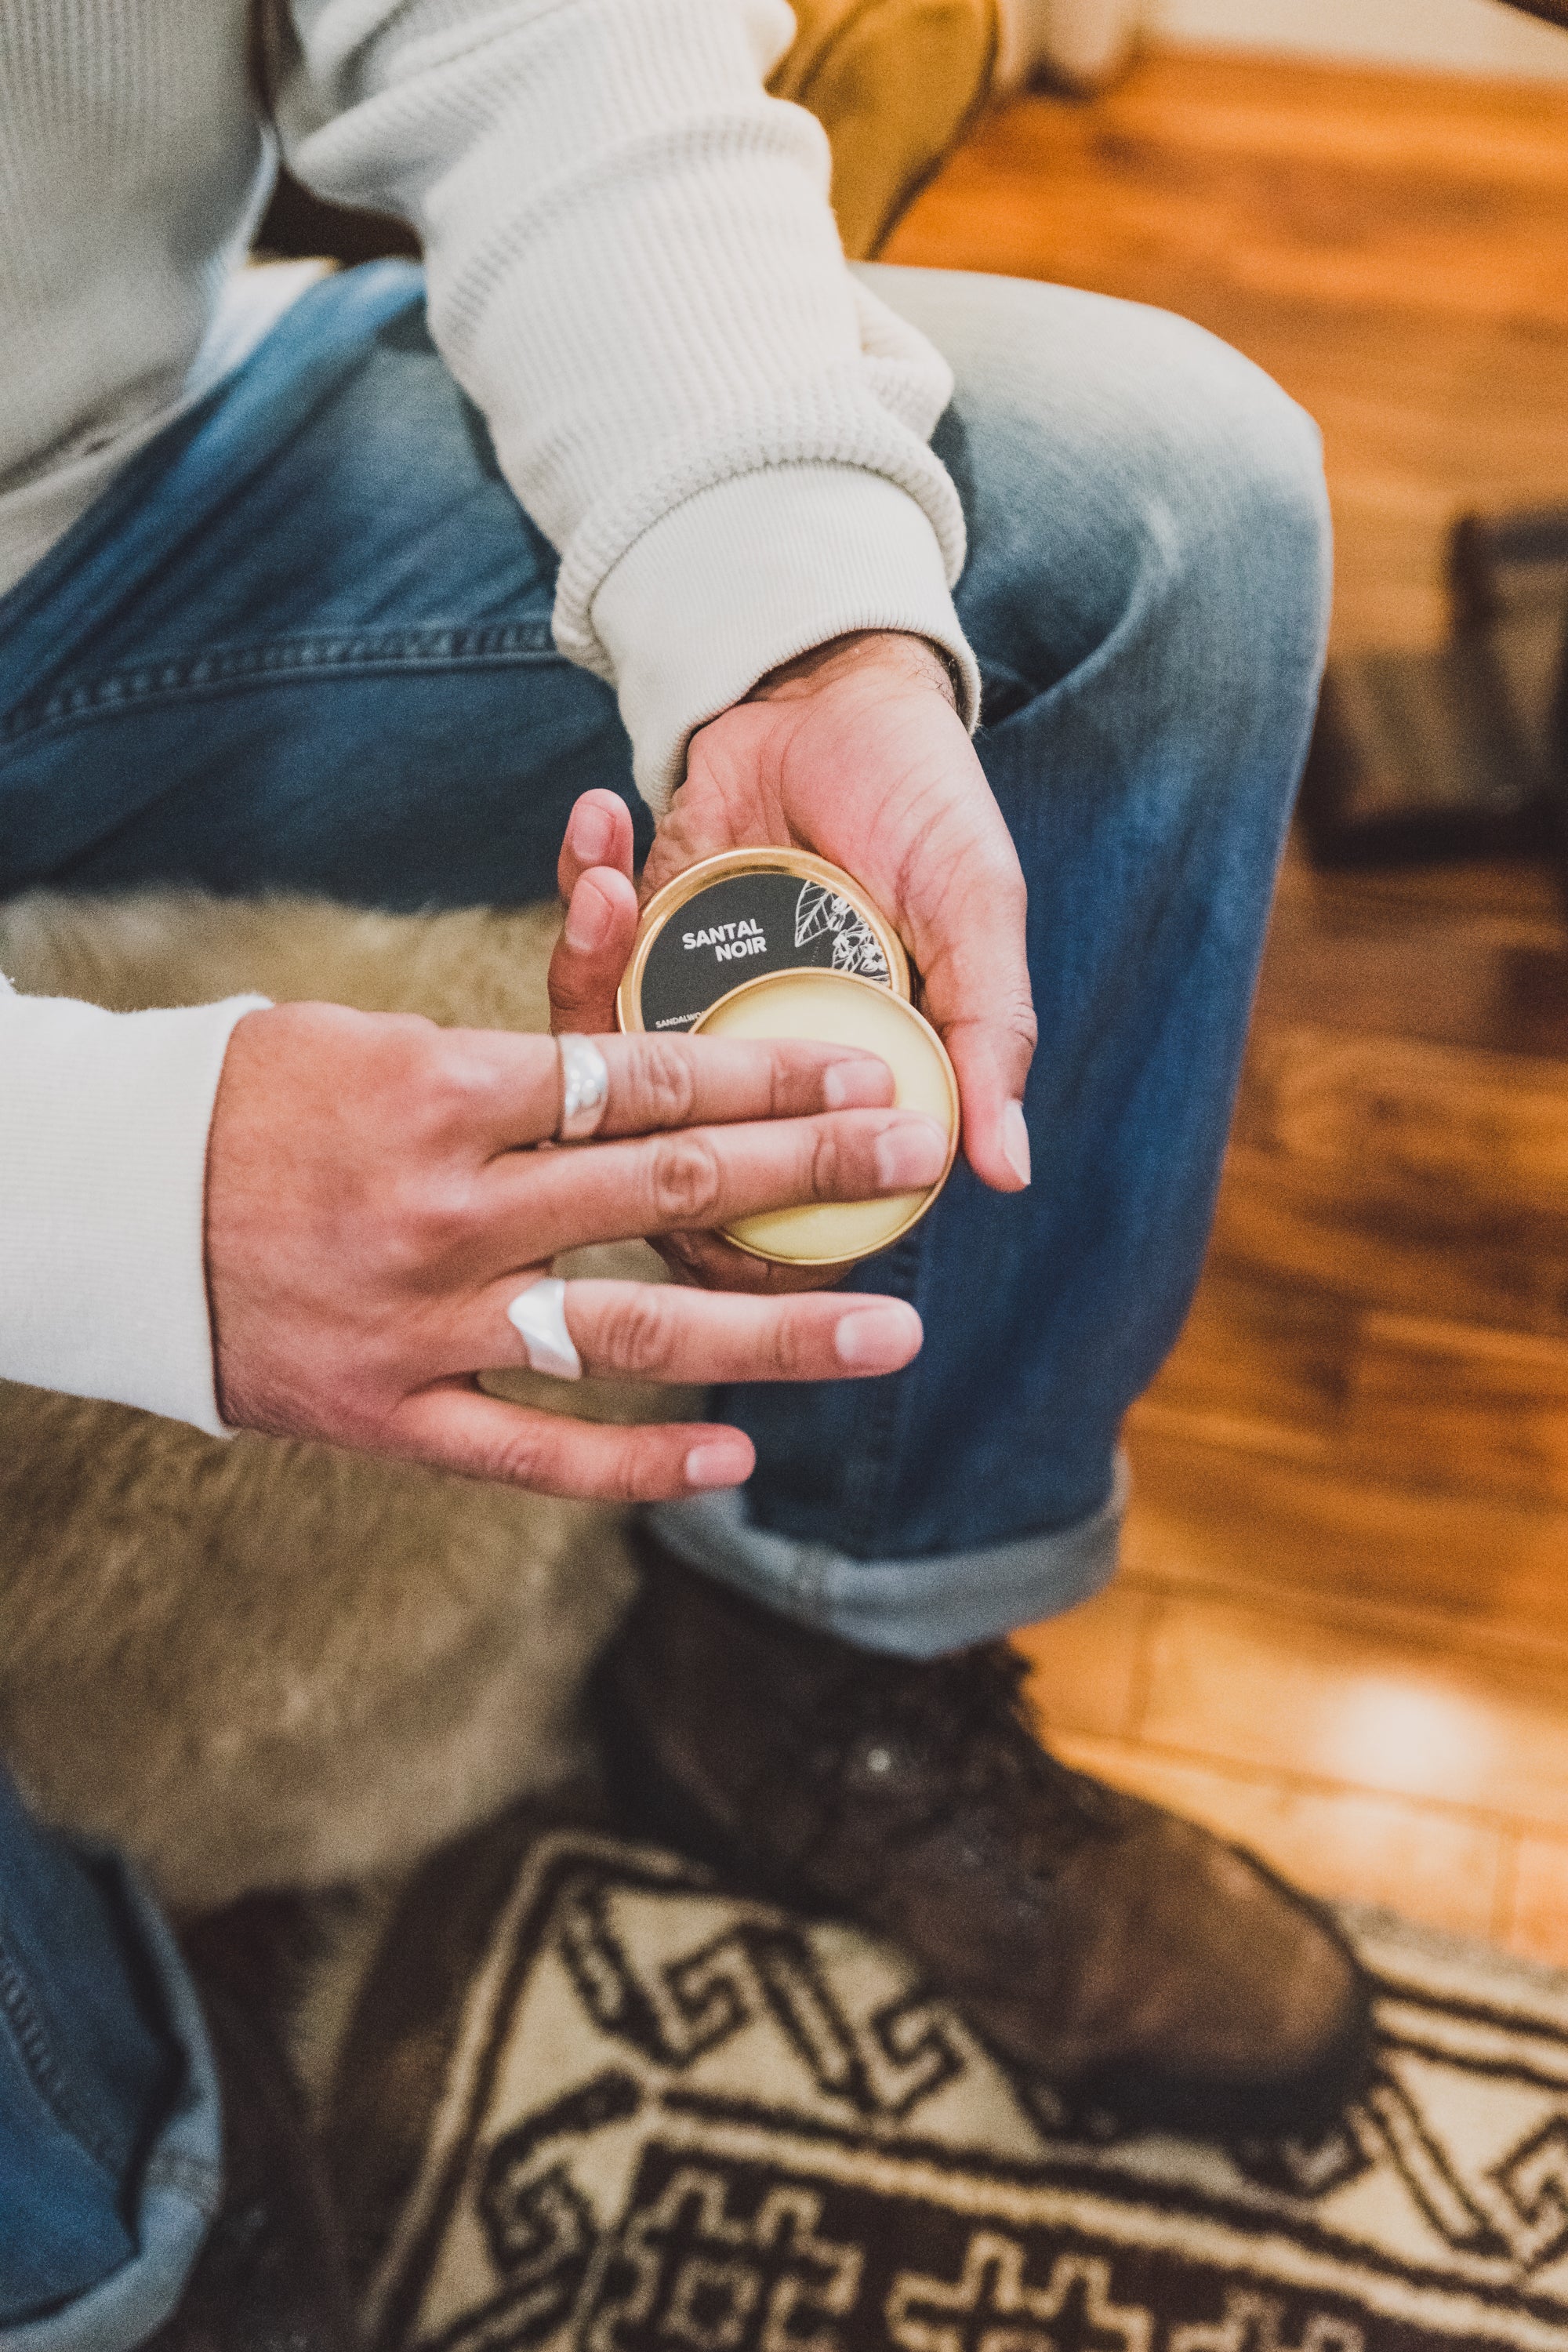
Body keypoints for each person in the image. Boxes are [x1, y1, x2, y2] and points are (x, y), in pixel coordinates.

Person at [0, 0, 1368, 2336]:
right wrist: (100, 1195)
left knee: (1165, 520)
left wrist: (791, 620)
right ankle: (133, 2234)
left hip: (75, 505)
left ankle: (822, 1657)